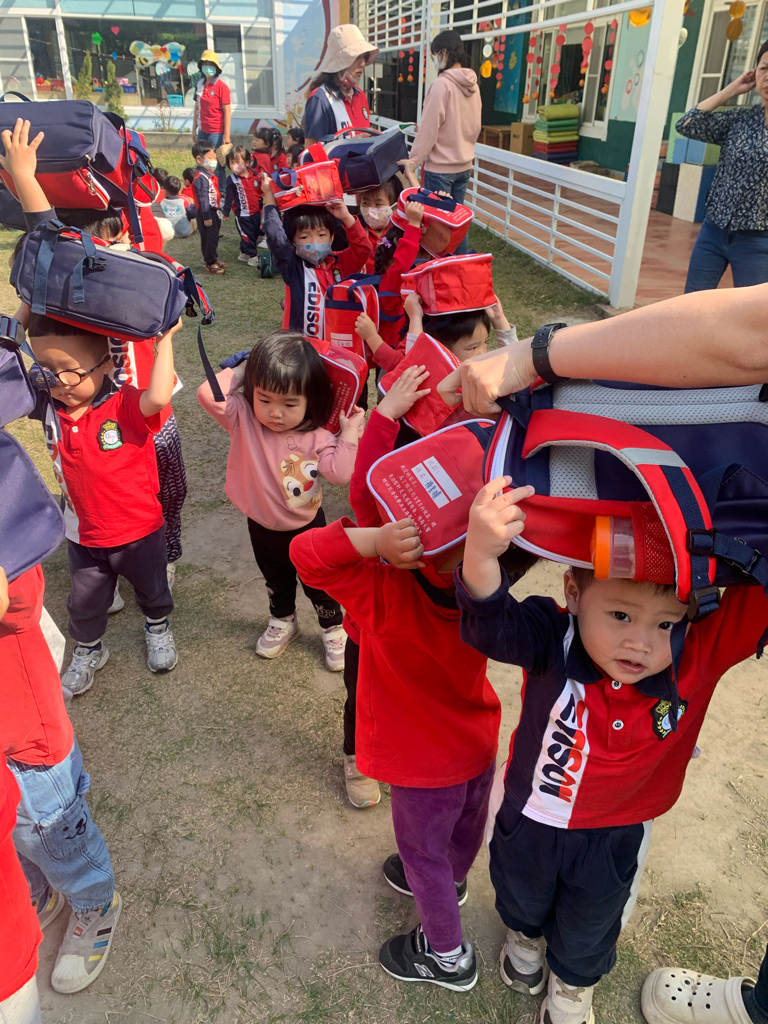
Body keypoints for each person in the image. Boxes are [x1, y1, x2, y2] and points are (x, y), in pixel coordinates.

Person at [455, 476, 768, 1024]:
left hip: (616, 831)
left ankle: (572, 988)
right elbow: (491, 625)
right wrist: (480, 553)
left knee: (592, 923)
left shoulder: (697, 654)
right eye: (620, 615)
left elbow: (757, 595)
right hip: (533, 813)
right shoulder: (553, 636)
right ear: (574, 594)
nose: (640, 644)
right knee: (520, 892)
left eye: (666, 623)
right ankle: (524, 941)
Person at [291, 450, 518, 992]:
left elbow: (305, 554)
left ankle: (446, 956)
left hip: (423, 769)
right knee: (460, 833)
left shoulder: (385, 592)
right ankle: (454, 882)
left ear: (419, 549)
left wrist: (373, 542)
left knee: (421, 857)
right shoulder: (491, 605)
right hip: (475, 745)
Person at [196, 331, 363, 671]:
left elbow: (339, 473)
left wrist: (348, 435)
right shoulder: (244, 418)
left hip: (308, 526)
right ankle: (283, 620)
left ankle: (333, 627)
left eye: (289, 404)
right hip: (261, 524)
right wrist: (246, 368)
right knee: (275, 578)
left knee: (317, 581)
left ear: (310, 399)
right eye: (265, 398)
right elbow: (206, 393)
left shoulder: (317, 435)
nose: (275, 413)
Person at [1, 563, 120, 994]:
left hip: (24, 739)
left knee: (54, 836)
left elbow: (21, 591)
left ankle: (95, 902)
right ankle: (39, 892)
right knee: (12, 836)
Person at [677, 41, 768, 292]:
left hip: (759, 240)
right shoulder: (740, 119)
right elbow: (687, 124)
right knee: (693, 302)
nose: (767, 77)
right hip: (714, 230)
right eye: (764, 69)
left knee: (751, 311)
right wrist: (731, 90)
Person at [260, 174, 373, 337]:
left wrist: (346, 217)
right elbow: (275, 235)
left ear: (332, 237)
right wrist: (269, 196)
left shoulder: (339, 263)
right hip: (301, 347)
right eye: (304, 237)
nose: (314, 242)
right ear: (292, 242)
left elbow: (363, 249)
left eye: (321, 235)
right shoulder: (293, 267)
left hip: (334, 344)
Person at [407, 30, 481, 255]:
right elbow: (475, 126)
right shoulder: (473, 85)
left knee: (437, 228)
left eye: (435, 54)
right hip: (464, 165)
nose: (435, 59)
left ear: (445, 52)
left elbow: (429, 129)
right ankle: (460, 267)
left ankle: (441, 270)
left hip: (440, 169)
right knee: (457, 224)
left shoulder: (442, 85)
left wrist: (412, 161)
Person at [303, 25, 378, 145]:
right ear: (339, 61)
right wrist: (347, 146)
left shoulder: (360, 95)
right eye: (356, 57)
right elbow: (311, 151)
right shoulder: (320, 99)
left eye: (364, 57)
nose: (362, 63)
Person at [191, 49, 231, 193]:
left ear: (216, 67)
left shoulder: (222, 87)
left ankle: (221, 192)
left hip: (217, 131)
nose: (208, 66)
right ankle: (204, 187)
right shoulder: (199, 84)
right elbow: (197, 108)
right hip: (203, 130)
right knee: (202, 160)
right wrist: (194, 129)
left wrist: (226, 135)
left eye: (211, 64)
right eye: (205, 63)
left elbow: (227, 112)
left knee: (217, 163)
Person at [223, 146, 262, 266]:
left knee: (255, 233)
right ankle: (253, 256)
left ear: (246, 162)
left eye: (238, 162)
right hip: (242, 214)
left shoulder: (255, 175)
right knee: (247, 235)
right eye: (232, 162)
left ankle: (244, 252)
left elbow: (260, 191)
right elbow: (228, 197)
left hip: (256, 211)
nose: (235, 165)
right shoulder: (232, 179)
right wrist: (225, 212)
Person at [192, 140, 226, 275]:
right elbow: (203, 198)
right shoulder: (201, 178)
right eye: (210, 158)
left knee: (214, 237)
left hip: (214, 211)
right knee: (208, 239)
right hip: (206, 212)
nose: (214, 161)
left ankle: (214, 258)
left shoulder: (209, 176)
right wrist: (206, 216)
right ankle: (210, 263)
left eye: (215, 158)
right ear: (199, 159)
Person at [160, 174, 196, 238]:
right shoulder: (183, 201)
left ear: (165, 191)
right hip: (184, 232)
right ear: (179, 191)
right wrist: (192, 204)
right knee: (195, 221)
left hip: (168, 233)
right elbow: (193, 214)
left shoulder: (161, 203)